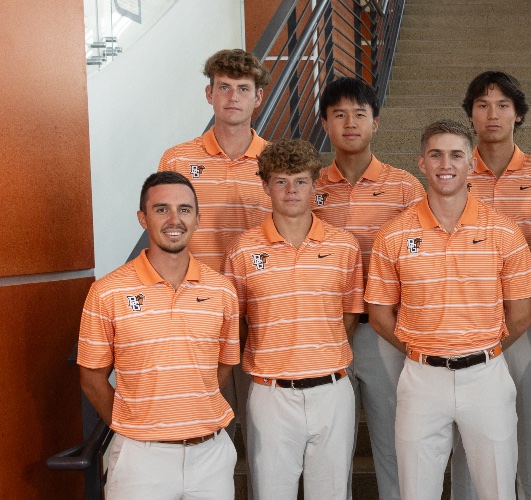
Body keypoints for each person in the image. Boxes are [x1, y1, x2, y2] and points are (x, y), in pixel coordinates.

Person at [364, 119, 531, 500]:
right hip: (421, 378)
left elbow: (522, 314)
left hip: (487, 376)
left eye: (456, 155)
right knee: (416, 491)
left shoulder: (504, 231)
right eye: (436, 155)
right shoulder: (393, 234)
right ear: (421, 163)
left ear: (471, 164)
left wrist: (484, 351)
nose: (446, 164)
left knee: (497, 490)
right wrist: (422, 349)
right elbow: (379, 315)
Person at [78, 171, 241, 499]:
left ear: (197, 218)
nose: (174, 219)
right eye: (161, 209)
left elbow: (223, 367)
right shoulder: (106, 292)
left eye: (184, 209)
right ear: (143, 218)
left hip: (211, 455)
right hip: (141, 460)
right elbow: (91, 378)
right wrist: (135, 425)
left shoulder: (223, 290)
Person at [449, 70, 531, 500]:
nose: (492, 114)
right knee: (468, 430)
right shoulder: (454, 171)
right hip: (467, 320)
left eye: (502, 105)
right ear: (470, 115)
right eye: (482, 105)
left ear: (518, 114)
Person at [221, 140, 361, 499]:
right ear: (265, 185)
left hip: (332, 390)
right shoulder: (242, 249)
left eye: (300, 181)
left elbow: (349, 313)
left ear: (315, 183)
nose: (291, 190)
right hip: (271, 393)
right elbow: (235, 322)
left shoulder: (345, 246)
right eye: (280, 181)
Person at [312, 76, 426, 499]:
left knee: (394, 442)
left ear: (376, 123)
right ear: (325, 123)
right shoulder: (309, 187)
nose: (350, 123)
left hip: (384, 331)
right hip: (326, 331)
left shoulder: (404, 188)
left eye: (360, 114)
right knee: (330, 451)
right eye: (339, 114)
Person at [157, 48, 273, 271]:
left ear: (258, 97)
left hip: (261, 293)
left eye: (243, 89)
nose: (233, 97)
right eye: (224, 87)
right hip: (197, 294)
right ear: (210, 94)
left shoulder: (278, 162)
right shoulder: (176, 160)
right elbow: (161, 233)